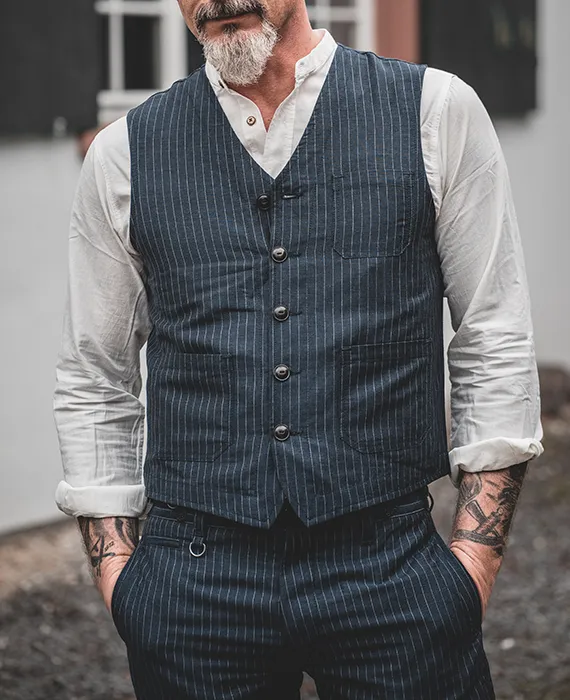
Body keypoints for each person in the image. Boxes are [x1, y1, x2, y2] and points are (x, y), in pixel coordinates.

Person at [52, 0, 543, 697]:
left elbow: (493, 334)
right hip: (193, 580)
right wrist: (119, 578)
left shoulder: (435, 111)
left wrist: (474, 562)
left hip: (391, 566)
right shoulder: (123, 152)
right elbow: (95, 375)